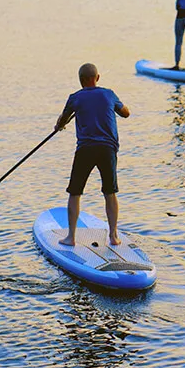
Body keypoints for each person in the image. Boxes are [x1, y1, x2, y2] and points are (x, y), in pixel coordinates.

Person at [55, 63, 131, 246]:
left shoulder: (75, 98)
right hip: (108, 149)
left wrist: (59, 125)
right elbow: (126, 113)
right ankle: (113, 236)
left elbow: (61, 121)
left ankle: (71, 237)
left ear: (80, 81)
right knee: (110, 192)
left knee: (75, 192)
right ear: (97, 78)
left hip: (85, 149)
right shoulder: (109, 94)